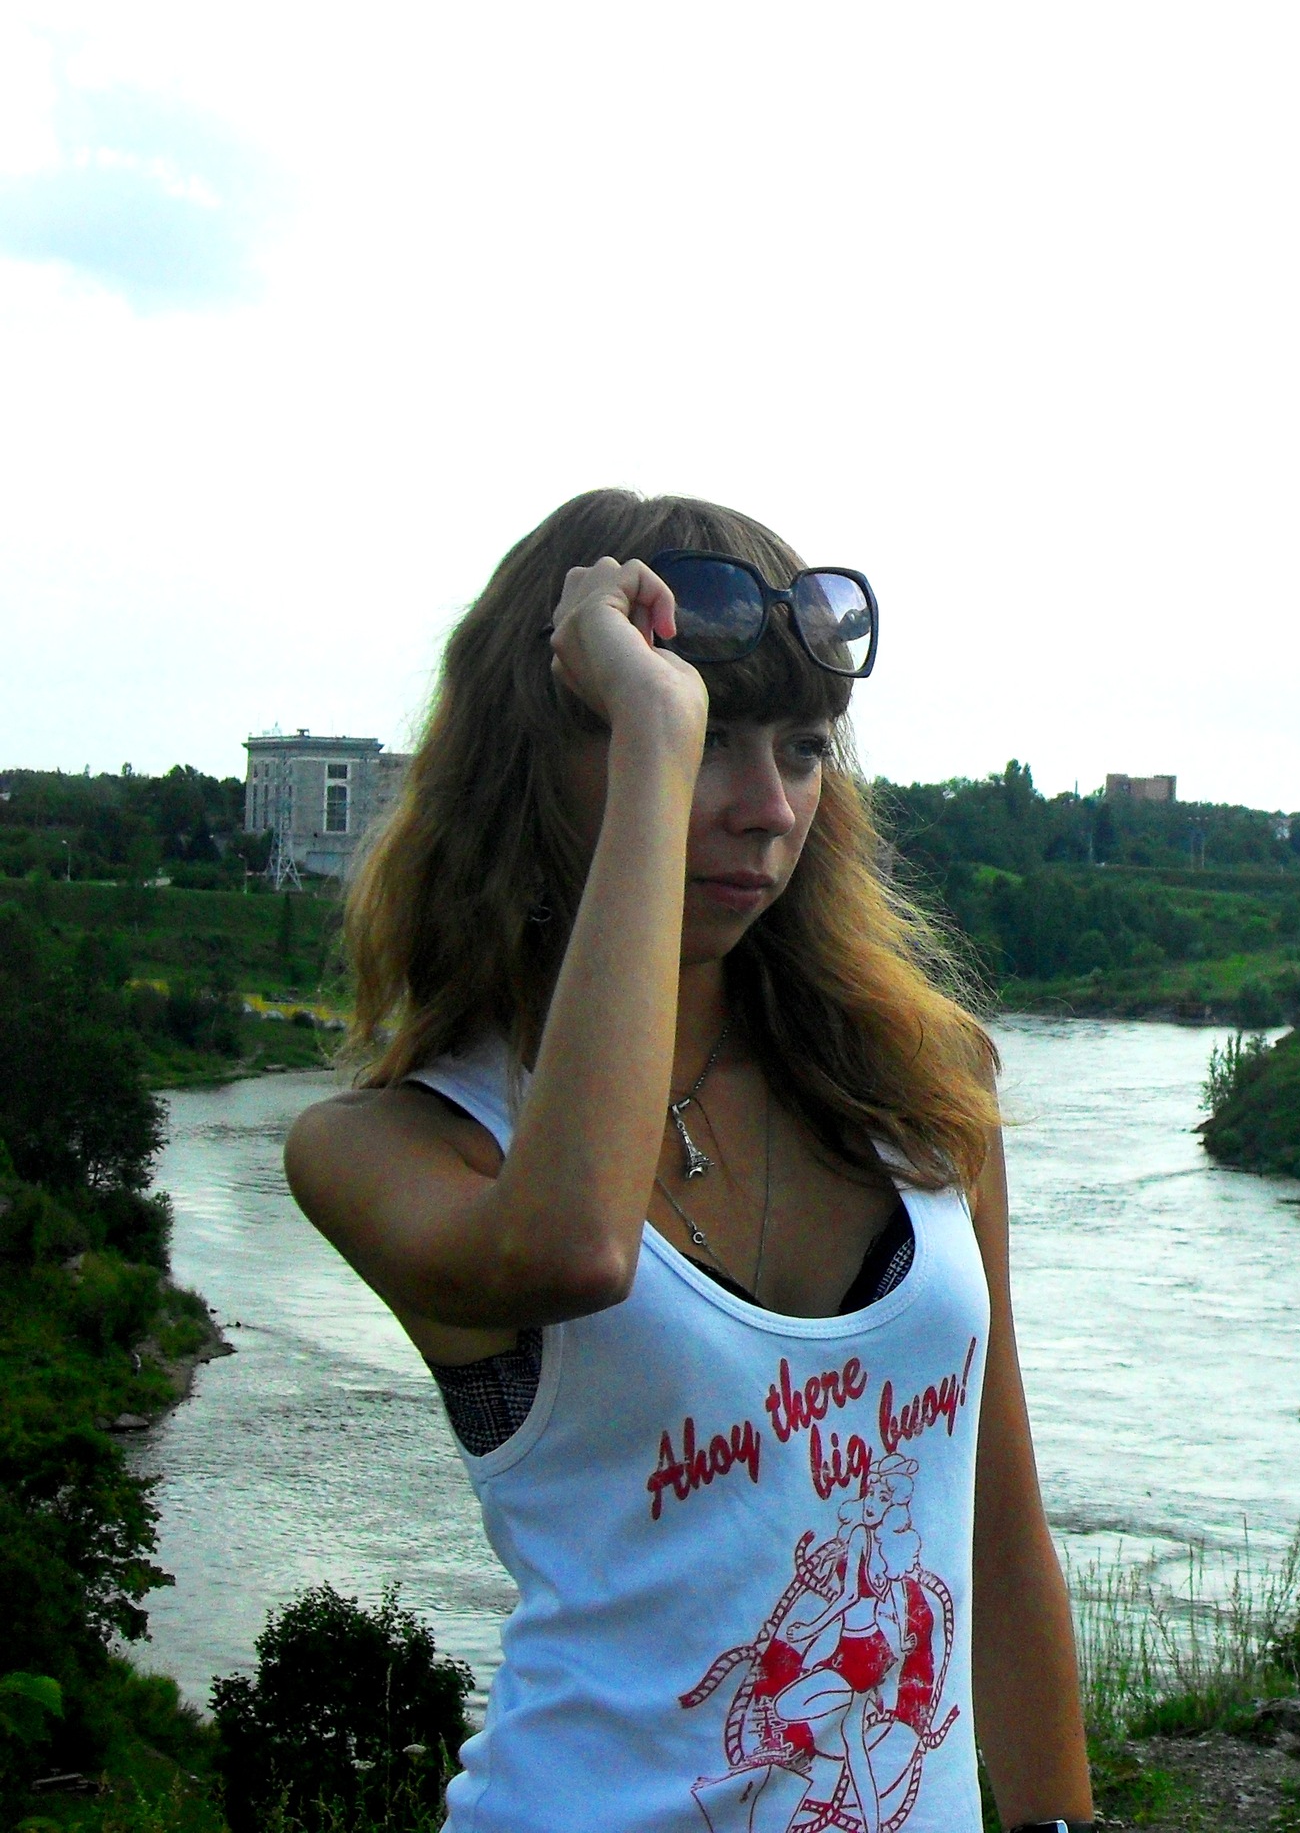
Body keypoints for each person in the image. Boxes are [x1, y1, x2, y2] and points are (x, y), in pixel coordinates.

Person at [287, 489, 1092, 1833]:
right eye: (712, 738)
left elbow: (997, 1530)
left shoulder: (921, 1095)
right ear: (536, 761)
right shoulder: (394, 1146)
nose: (768, 809)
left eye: (805, 749)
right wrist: (656, 737)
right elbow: (576, 1248)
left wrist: (1058, 1825)